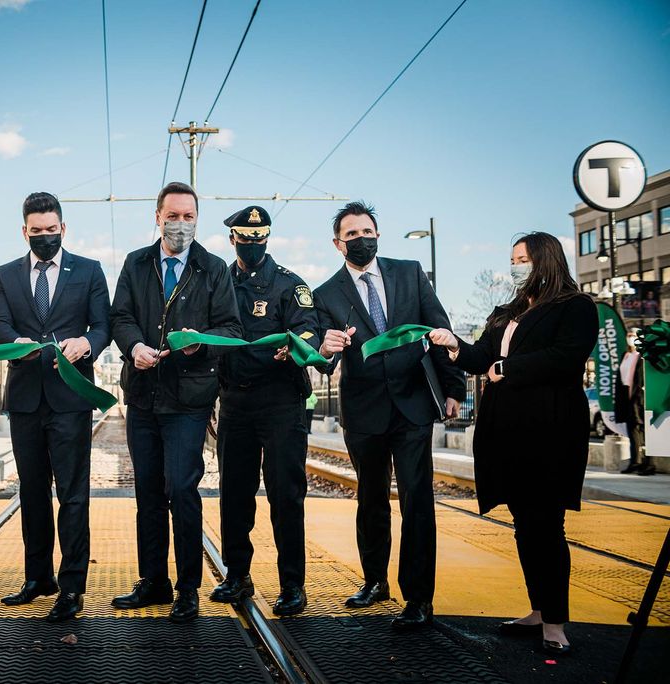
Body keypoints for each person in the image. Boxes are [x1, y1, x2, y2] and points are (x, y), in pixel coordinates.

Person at [428, 231, 598, 655]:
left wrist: (509, 367)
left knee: (547, 525)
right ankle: (539, 609)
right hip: (506, 429)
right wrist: (454, 346)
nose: (516, 265)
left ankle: (555, 621)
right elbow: (482, 357)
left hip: (549, 429)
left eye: (522, 258)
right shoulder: (509, 310)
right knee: (525, 524)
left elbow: (566, 357)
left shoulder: (575, 307)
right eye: (513, 259)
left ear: (545, 260)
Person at [314, 201, 463, 630]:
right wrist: (326, 348)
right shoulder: (326, 293)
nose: (362, 239)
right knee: (371, 499)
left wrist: (452, 388)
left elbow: (440, 328)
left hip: (413, 404)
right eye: (352, 234)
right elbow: (323, 360)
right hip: (363, 410)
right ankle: (375, 580)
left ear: (378, 234)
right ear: (338, 243)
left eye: (368, 231)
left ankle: (418, 598)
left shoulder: (410, 273)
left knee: (417, 502)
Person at [110, 181, 242, 623]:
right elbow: (120, 317)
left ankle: (187, 587)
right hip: (143, 394)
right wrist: (133, 348)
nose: (180, 224)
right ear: (157, 216)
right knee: (147, 491)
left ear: (197, 220)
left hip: (189, 398)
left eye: (189, 217)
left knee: (181, 489)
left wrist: (198, 345)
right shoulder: (136, 263)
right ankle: (153, 581)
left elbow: (231, 329)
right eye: (173, 215)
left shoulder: (213, 268)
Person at [0, 192, 111, 623]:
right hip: (25, 399)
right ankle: (37, 577)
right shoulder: (5, 274)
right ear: (25, 231)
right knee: (33, 492)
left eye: (51, 230)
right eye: (36, 231)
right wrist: (12, 342)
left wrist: (88, 344)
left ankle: (72, 587)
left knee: (73, 496)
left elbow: (103, 326)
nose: (44, 236)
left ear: (63, 228)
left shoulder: (90, 271)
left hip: (70, 397)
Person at [209, 206, 318, 616]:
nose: (253, 245)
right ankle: (237, 576)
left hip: (280, 401)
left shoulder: (290, 284)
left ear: (267, 239)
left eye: (260, 239)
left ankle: (293, 584)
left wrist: (297, 343)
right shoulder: (220, 282)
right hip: (234, 401)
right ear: (233, 239)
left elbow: (309, 327)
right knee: (234, 495)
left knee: (286, 495)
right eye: (245, 238)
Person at [618, 339, 655, 476]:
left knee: (646, 433)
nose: (630, 337)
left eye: (634, 334)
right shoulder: (626, 356)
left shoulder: (644, 356)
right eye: (629, 334)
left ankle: (649, 463)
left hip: (640, 400)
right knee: (633, 432)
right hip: (628, 400)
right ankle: (635, 462)